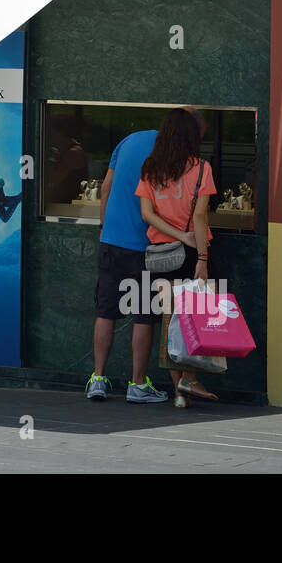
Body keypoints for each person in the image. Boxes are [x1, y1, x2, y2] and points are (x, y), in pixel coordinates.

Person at [135, 108, 219, 408]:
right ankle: (189, 380)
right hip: (190, 254)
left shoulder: (151, 167)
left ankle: (179, 392)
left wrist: (173, 234)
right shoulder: (202, 168)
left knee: (170, 321)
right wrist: (202, 257)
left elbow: (147, 214)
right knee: (191, 321)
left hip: (159, 255)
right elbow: (199, 215)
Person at [85, 126, 170, 404]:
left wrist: (103, 225)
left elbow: (106, 186)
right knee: (144, 315)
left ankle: (98, 379)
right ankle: (137, 385)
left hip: (112, 241)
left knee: (106, 312)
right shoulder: (171, 148)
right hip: (146, 245)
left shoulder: (127, 140)